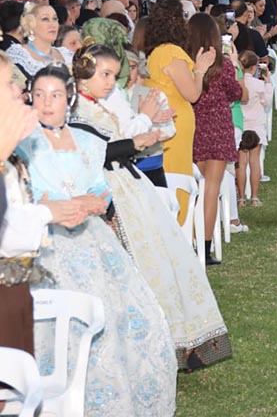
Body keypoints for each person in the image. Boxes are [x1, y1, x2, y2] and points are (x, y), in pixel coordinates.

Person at [19, 63, 177, 415]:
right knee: (56, 323)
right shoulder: (22, 142)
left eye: (55, 95)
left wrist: (95, 201)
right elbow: (19, 196)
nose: (47, 103)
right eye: (40, 95)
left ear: (69, 99)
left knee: (125, 314)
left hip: (91, 238)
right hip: (44, 240)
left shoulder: (88, 141)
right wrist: (52, 205)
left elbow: (100, 190)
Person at [71, 44, 232, 368]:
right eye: (104, 74)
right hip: (107, 188)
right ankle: (133, 349)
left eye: (112, 75)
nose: (109, 81)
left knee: (162, 261)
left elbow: (125, 137)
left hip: (129, 185)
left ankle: (167, 343)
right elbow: (97, 150)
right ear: (83, 74)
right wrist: (142, 128)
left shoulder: (103, 104)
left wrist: (148, 124)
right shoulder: (78, 109)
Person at [0, 51, 103, 355]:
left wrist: (50, 213)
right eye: (8, 83)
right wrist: (47, 211)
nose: (19, 90)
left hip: (16, 286)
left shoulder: (12, 152)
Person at [144, 0, 215, 225]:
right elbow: (192, 94)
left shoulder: (155, 52)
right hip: (175, 122)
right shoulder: (172, 53)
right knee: (176, 176)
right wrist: (201, 69)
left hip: (167, 120)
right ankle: (181, 230)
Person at [187, 13, 242, 264]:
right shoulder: (223, 65)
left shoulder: (186, 64)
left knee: (194, 190)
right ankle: (205, 247)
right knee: (211, 189)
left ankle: (189, 239)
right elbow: (236, 92)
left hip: (193, 130)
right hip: (218, 129)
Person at [237, 50, 273, 205]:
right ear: (254, 68)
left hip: (242, 125)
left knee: (241, 163)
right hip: (256, 126)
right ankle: (254, 196)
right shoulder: (258, 85)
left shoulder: (238, 84)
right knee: (254, 163)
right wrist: (268, 83)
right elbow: (267, 101)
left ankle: (241, 197)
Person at [7, 4, 68, 79]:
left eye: (55, 19)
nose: (53, 25)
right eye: (45, 19)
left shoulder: (66, 54)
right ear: (31, 24)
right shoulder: (19, 56)